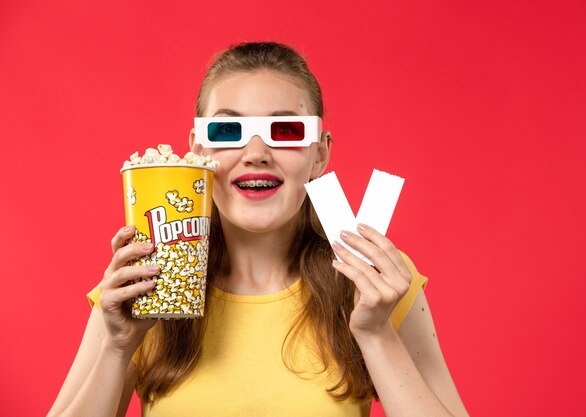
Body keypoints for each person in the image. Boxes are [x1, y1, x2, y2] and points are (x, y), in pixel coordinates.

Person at [48, 41, 470, 417]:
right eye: (229, 131)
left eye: (285, 131)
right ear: (198, 153)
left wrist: (377, 335)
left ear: (319, 155)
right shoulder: (144, 279)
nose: (255, 153)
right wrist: (116, 349)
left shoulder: (378, 281)